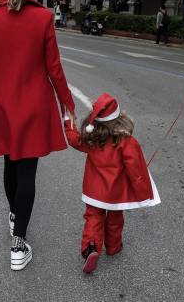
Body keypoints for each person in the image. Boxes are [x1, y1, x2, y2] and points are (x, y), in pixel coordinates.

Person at [0, 0, 76, 271]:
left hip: (1, 105)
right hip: (34, 105)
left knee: (9, 163)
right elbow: (54, 67)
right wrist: (67, 103)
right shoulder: (43, 17)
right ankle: (18, 244)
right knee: (27, 171)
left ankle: (15, 215)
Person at [64, 93, 160, 274]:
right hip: (116, 192)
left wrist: (68, 122)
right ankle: (114, 247)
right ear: (119, 118)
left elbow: (74, 140)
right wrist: (142, 193)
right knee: (115, 218)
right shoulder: (126, 141)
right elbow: (136, 170)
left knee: (93, 218)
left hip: (94, 191)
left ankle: (91, 248)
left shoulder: (92, 138)